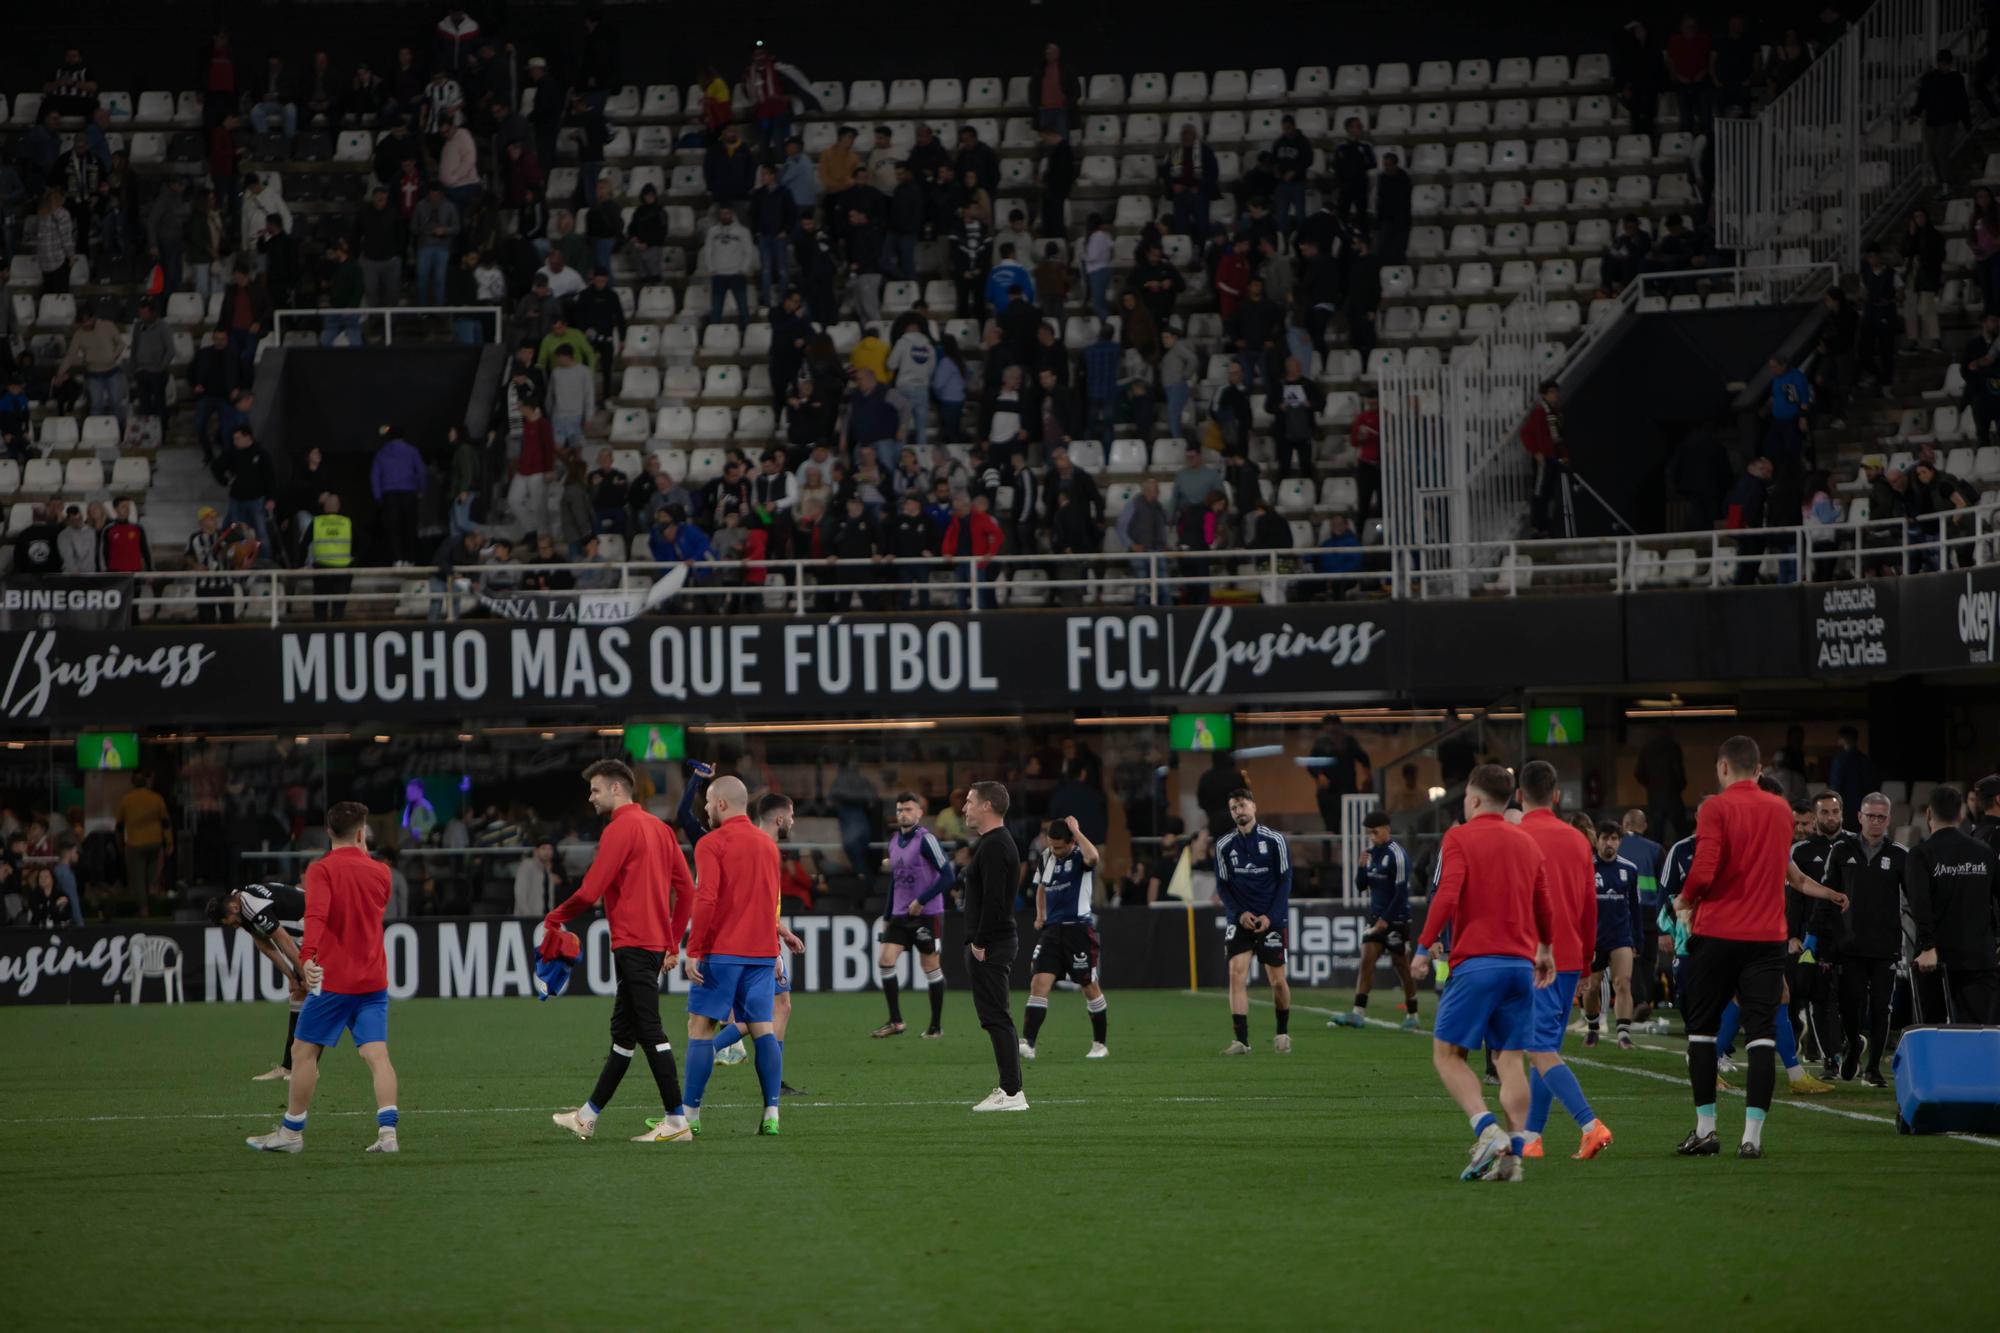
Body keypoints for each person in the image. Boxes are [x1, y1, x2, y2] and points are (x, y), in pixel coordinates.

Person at [1411, 763, 1556, 1182]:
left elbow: (1448, 893)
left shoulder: (1459, 837)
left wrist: (1423, 946)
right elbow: (1544, 903)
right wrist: (1545, 950)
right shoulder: (1526, 842)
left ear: (1473, 799)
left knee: (1448, 1054)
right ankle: (1513, 1161)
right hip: (1520, 966)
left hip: (1477, 965)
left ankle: (1486, 1129)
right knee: (1509, 1059)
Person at [546, 760, 697, 1143]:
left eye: (595, 790)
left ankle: (677, 1122)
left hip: (632, 944)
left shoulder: (619, 830)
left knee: (648, 1029)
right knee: (624, 1034)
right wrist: (672, 941)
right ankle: (586, 1116)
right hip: (649, 947)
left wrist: (555, 916)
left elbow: (589, 891)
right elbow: (688, 891)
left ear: (617, 789)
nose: (590, 797)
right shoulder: (661, 830)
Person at [245, 802, 401, 1154]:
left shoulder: (321, 870)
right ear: (362, 833)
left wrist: (307, 959)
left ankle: (291, 1132)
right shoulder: (382, 872)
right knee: (378, 1056)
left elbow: (315, 916)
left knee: (302, 1053)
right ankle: (388, 1134)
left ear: (328, 832)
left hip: (335, 981)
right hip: (373, 978)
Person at [1673, 737, 1800, 1157]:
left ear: (1724, 768)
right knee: (1761, 1035)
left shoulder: (1716, 807)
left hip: (1719, 932)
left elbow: (1705, 868)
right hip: (1767, 936)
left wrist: (1686, 899)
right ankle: (1752, 1138)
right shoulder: (1781, 810)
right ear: (1759, 768)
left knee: (1704, 1032)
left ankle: (1706, 1130)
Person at [1509, 761, 1614, 1161]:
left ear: (1520, 795)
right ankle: (1532, 1137)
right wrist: (1587, 964)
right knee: (1544, 1050)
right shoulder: (1576, 841)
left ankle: (1590, 1124)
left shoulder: (1516, 836)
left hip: (1532, 957)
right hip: (1570, 956)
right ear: (1556, 796)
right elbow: (1590, 909)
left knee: (1537, 1048)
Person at [675, 777, 786, 1137]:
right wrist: (775, 943)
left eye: (707, 801)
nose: (704, 809)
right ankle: (772, 1112)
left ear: (721, 804)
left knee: (700, 1028)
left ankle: (689, 1115)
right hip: (761, 953)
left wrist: (694, 950)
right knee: (763, 1028)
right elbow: (770, 902)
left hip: (723, 951)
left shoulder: (712, 843)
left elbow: (705, 898)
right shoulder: (768, 845)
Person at [1825, 792, 1907, 1086]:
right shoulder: (1840, 850)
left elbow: (1914, 899)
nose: (1875, 821)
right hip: (1849, 943)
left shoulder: (1900, 855)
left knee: (1883, 1006)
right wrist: (1820, 937)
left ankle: (1872, 1067)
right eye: (1870, 816)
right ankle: (1852, 1046)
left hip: (1885, 945)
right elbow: (1826, 896)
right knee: (1850, 1004)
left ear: (1888, 819)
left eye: (1881, 817)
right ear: (1859, 817)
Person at [1019, 816, 1110, 1062]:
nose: (1054, 851)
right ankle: (1028, 1042)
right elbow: (1040, 886)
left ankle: (1100, 1043)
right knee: (1039, 982)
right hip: (1052, 931)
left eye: (1060, 847)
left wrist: (1077, 831)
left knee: (1089, 987)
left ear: (1071, 842)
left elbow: (1095, 857)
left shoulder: (1081, 856)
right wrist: (1040, 914)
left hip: (1078, 930)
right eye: (1051, 845)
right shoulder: (1047, 857)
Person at [1905, 785, 1999, 1023]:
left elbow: (1920, 904)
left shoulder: (1920, 854)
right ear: (1960, 814)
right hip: (1979, 957)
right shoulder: (1984, 852)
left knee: (1933, 1029)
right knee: (1978, 1031)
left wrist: (1927, 947)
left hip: (1935, 959)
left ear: (1928, 814)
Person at [961, 781, 1027, 1112]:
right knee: (994, 1017)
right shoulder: (991, 844)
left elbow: (996, 902)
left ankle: (1012, 1092)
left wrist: (980, 941)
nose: (964, 807)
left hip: (992, 944)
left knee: (997, 1017)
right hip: (991, 942)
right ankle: (1010, 1089)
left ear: (987, 806)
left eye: (970, 801)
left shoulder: (996, 845)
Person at [1215, 789, 1294, 1056]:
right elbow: (1223, 886)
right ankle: (1242, 1041)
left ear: (1254, 807)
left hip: (1271, 917)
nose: (1239, 811)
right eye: (1234, 807)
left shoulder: (1275, 840)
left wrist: (1270, 916)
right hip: (1241, 919)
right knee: (1236, 974)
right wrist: (1239, 914)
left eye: (1242, 805)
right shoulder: (1224, 845)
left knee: (1277, 981)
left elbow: (1285, 881)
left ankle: (1282, 1032)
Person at [207, 883, 309, 1082]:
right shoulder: (240, 905)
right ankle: (290, 1067)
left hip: (317, 923)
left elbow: (283, 940)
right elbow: (264, 943)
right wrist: (290, 976)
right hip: (303, 928)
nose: (235, 926)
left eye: (232, 922)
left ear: (233, 909)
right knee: (300, 993)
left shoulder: (250, 905)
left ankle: (305, 1067)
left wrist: (303, 974)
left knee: (314, 991)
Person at [873, 792, 953, 1039]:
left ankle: (936, 1026)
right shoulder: (894, 841)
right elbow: (895, 882)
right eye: (899, 810)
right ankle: (896, 1021)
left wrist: (921, 901)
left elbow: (948, 875)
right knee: (885, 960)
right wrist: (887, 915)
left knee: (929, 966)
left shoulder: (927, 840)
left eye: (908, 809)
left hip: (927, 914)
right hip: (900, 914)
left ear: (919, 813)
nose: (903, 814)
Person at [1329, 810, 1419, 1029]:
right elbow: (1361, 886)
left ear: (1386, 829)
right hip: (1376, 918)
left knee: (1402, 966)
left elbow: (1401, 894)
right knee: (1367, 958)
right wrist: (1360, 867)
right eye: (1369, 833)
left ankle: (1412, 1015)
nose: (1371, 836)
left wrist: (1386, 921)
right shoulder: (1370, 854)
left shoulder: (1397, 855)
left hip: (1396, 919)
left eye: (1375, 832)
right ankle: (1358, 1013)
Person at [1583, 820, 1644, 1049]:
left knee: (1623, 982)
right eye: (1605, 838)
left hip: (1621, 936)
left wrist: (1638, 939)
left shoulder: (1629, 869)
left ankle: (1623, 1033)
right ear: (1597, 840)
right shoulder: (1586, 866)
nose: (1610, 843)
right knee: (1591, 987)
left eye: (1614, 839)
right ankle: (1592, 1028)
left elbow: (1636, 907)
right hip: (1594, 937)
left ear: (1619, 841)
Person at [511, 841, 562, 917]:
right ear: (536, 851)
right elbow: (520, 894)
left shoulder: (548, 870)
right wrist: (528, 917)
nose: (547, 852)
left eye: (550, 849)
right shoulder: (527, 865)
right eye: (543, 848)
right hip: (528, 919)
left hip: (543, 919)